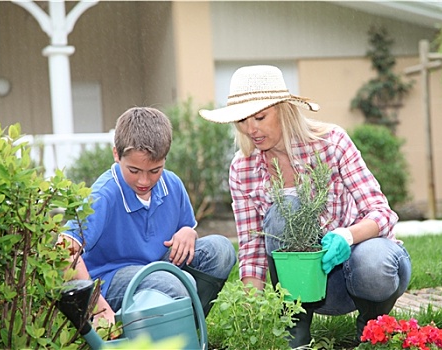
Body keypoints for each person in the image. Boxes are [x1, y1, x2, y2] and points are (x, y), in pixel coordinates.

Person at [199, 65, 412, 348]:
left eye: (260, 117)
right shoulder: (242, 168)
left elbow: (382, 212)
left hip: (359, 274)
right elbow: (252, 247)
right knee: (284, 209)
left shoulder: (331, 142)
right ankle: (296, 333)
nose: (251, 129)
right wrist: (251, 312)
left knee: (374, 261)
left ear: (284, 109)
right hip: (309, 291)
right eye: (241, 121)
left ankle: (372, 329)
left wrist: (346, 236)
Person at [60, 107, 236, 329]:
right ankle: (153, 333)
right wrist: (96, 304)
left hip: (156, 269)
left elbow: (188, 232)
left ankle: (187, 329)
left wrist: (187, 232)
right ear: (116, 154)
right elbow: (65, 248)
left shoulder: (172, 184)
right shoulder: (103, 195)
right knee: (173, 283)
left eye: (155, 170)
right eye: (134, 170)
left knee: (221, 250)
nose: (144, 180)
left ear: (164, 159)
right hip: (110, 281)